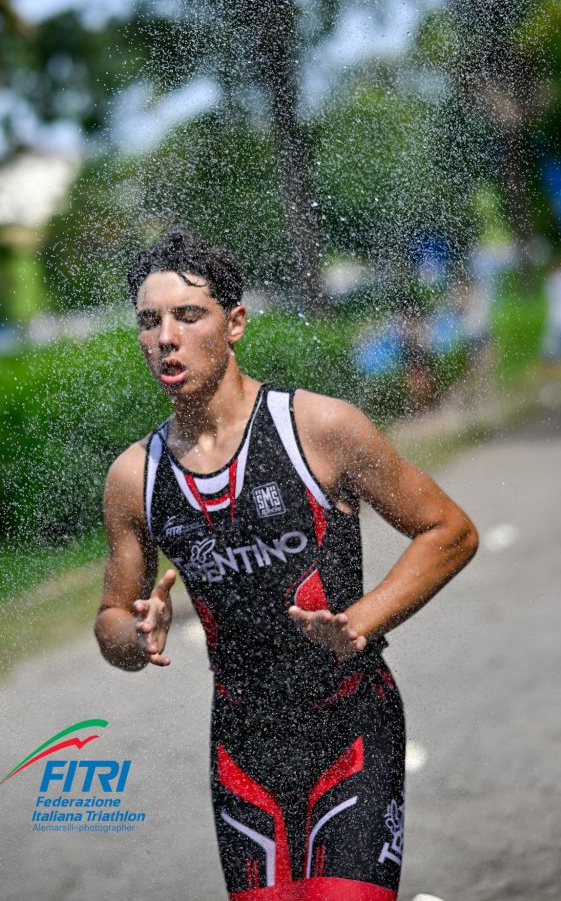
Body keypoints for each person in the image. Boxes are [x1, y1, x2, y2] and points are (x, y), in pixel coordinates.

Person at [94, 226, 479, 901]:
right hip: (243, 747)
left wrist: (361, 620)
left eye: (189, 316)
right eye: (149, 322)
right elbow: (111, 623)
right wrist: (135, 635)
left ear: (235, 323)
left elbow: (448, 530)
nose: (166, 337)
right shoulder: (135, 477)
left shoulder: (320, 429)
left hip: (349, 723)